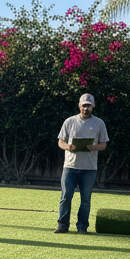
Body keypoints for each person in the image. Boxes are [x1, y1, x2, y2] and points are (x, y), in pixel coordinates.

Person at [56, 93, 110, 234]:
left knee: (85, 199)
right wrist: (67, 147)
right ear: (79, 105)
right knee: (66, 196)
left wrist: (94, 147)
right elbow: (60, 141)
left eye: (89, 106)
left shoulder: (99, 123)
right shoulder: (69, 121)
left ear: (93, 107)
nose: (86, 108)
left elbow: (103, 144)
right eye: (84, 105)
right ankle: (62, 225)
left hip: (89, 168)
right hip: (70, 167)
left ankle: (82, 227)